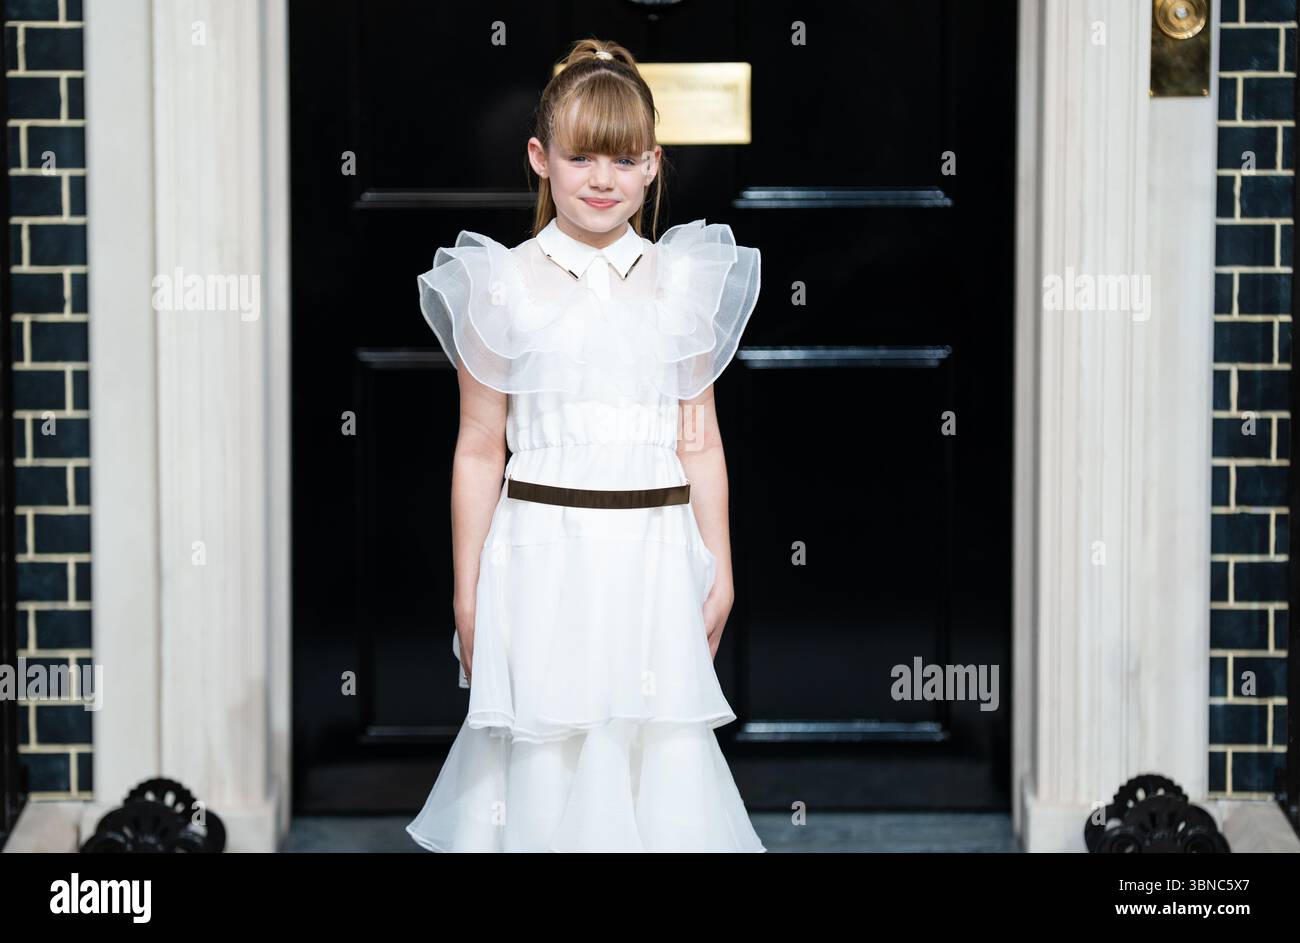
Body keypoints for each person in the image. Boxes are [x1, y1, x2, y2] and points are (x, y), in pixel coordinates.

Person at [405, 37, 764, 852]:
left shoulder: (682, 281)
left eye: (624, 159)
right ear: (540, 157)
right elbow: (476, 446)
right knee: (546, 752)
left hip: (653, 554)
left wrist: (723, 563)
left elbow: (698, 437)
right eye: (581, 157)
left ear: (653, 166)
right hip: (541, 555)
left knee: (655, 752)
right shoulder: (500, 284)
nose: (602, 179)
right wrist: (468, 590)